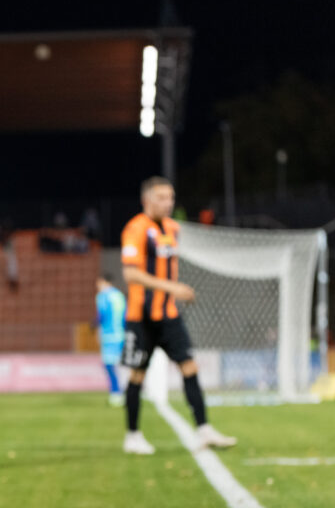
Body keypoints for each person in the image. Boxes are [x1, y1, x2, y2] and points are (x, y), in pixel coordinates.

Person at [120, 177, 236, 455]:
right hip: (142, 317)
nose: (168, 203)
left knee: (189, 367)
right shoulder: (135, 229)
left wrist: (173, 291)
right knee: (137, 375)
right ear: (147, 200)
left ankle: (204, 429)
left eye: (171, 197)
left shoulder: (173, 228)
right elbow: (131, 273)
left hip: (169, 314)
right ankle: (133, 435)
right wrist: (172, 287)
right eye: (161, 197)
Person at [95, 274, 126, 406]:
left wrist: (94, 325)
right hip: (122, 334)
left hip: (109, 335)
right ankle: (126, 390)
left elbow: (102, 314)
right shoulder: (120, 295)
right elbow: (125, 315)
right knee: (123, 364)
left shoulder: (102, 296)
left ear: (104, 282)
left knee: (109, 365)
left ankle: (116, 393)